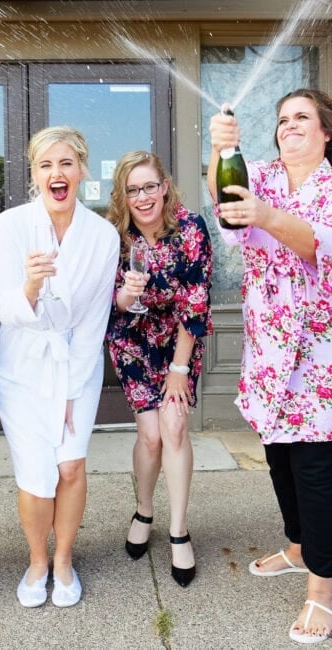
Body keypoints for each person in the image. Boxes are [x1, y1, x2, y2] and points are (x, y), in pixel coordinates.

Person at [208, 89, 332, 644]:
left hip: (326, 361)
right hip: (271, 356)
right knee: (280, 463)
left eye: (302, 118)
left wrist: (268, 214)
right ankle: (298, 548)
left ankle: (323, 592)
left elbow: (326, 245)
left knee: (319, 477)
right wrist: (219, 150)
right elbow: (227, 202)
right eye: (282, 120)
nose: (289, 126)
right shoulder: (263, 174)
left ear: (327, 131)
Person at [0, 126, 119, 608]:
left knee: (71, 464)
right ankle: (36, 560)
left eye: (65, 163)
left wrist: (70, 391)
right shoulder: (9, 225)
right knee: (35, 471)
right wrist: (28, 287)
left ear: (82, 170)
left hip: (76, 364)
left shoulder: (103, 235)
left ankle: (63, 558)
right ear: (34, 174)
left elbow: (93, 320)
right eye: (45, 165)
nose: (56, 173)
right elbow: (5, 305)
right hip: (22, 365)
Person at [104, 151, 213, 587]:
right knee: (149, 436)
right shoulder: (116, 237)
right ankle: (144, 509)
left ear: (164, 186)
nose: (143, 197)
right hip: (132, 343)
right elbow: (110, 303)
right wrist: (127, 296)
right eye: (133, 190)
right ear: (123, 196)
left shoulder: (190, 229)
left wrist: (180, 368)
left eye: (150, 186)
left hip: (178, 341)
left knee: (175, 427)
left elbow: (196, 299)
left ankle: (179, 531)